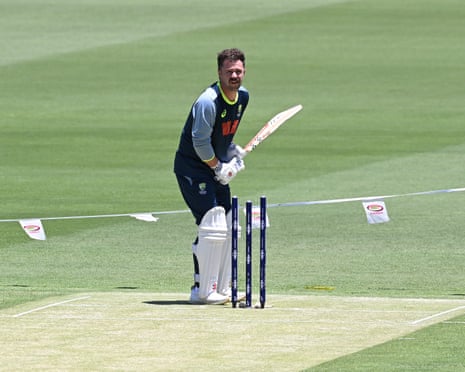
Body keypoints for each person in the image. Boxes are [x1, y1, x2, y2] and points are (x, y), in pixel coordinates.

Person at [174, 48, 249, 304]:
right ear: (219, 73)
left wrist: (231, 152)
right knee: (212, 224)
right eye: (229, 71)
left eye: (238, 70)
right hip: (192, 169)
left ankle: (223, 288)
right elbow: (200, 142)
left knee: (229, 224)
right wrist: (219, 167)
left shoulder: (242, 98)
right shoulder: (208, 101)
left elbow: (222, 137)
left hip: (213, 167)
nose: (234, 75)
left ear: (245, 71)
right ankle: (201, 291)